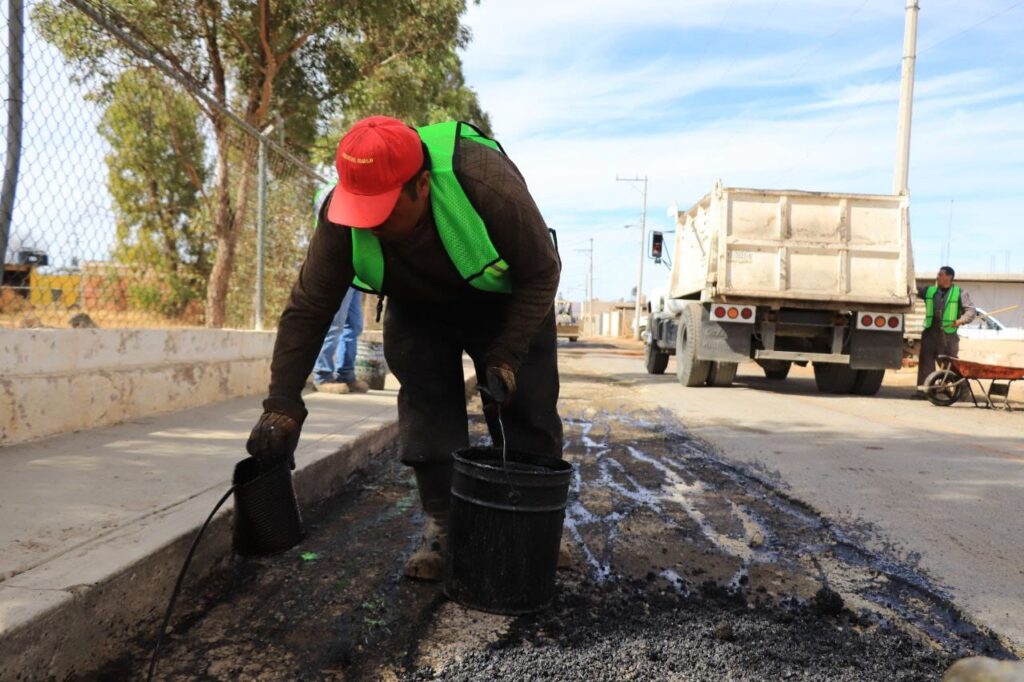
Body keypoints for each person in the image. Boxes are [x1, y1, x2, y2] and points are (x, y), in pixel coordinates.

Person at [245, 116, 563, 581]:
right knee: (427, 408)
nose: (371, 225)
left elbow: (542, 271)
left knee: (526, 413)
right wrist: (282, 404)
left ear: (422, 185)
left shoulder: (484, 181)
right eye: (362, 211)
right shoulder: (340, 215)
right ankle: (444, 524)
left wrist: (506, 355)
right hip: (418, 305)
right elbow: (309, 308)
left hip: (505, 302)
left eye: (385, 210)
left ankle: (537, 526)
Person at [914, 266, 976, 398]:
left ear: (949, 277)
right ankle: (925, 392)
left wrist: (961, 320)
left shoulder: (960, 293)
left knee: (951, 365)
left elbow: (971, 311)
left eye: (940, 274)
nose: (937, 276)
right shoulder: (929, 291)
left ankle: (963, 392)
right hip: (930, 332)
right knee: (926, 362)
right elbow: (913, 288)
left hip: (949, 334)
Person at [312, 287, 368, 394]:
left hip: (356, 280)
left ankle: (346, 375)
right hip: (340, 275)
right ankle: (322, 376)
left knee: (354, 326)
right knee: (335, 324)